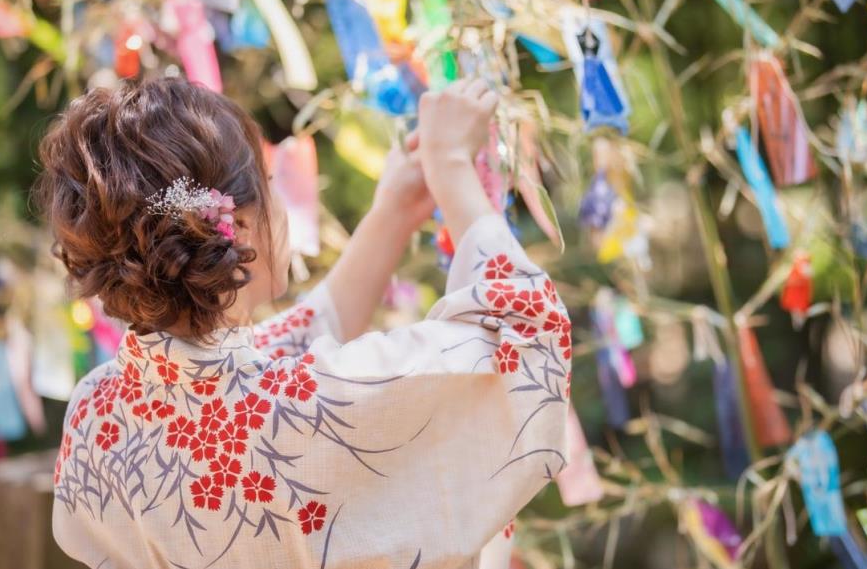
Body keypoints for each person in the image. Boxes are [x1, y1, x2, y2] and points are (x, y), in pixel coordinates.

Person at [37, 76, 571, 569]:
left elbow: (266, 364)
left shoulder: (94, 413)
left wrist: (392, 212)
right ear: (240, 227)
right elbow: (528, 340)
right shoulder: (302, 407)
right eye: (270, 183)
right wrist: (452, 164)